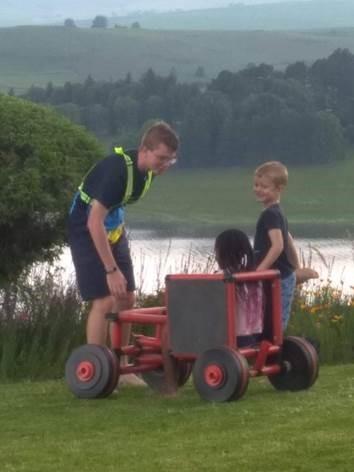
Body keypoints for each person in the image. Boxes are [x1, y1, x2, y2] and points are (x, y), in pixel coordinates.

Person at [68, 121, 179, 385]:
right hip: (86, 229)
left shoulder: (147, 171)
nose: (164, 165)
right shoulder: (118, 173)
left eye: (170, 161)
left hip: (113, 229)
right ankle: (95, 373)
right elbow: (93, 221)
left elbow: (114, 210)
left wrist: (117, 247)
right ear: (145, 149)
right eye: (161, 158)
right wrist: (110, 269)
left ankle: (121, 366)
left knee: (126, 298)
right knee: (104, 300)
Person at [253, 160, 318, 331]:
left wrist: (259, 272)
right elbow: (287, 238)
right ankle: (271, 351)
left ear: (279, 189)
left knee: (275, 324)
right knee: (270, 320)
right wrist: (296, 267)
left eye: (264, 187)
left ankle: (276, 353)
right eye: (256, 185)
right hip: (280, 276)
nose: (258, 189)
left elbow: (278, 246)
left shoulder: (271, 215)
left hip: (278, 278)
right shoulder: (276, 212)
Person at [214, 229, 264, 347]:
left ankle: (172, 366)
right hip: (254, 335)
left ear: (223, 253)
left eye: (216, 251)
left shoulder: (221, 277)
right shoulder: (256, 277)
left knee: (167, 333)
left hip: (233, 337)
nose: (215, 257)